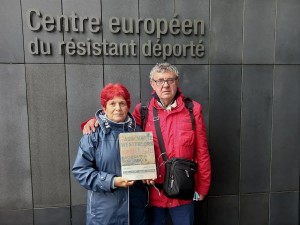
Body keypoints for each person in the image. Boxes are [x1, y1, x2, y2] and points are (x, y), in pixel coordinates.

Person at [83, 63, 211, 225]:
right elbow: (122, 129)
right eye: (160, 81)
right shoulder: (142, 111)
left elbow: (202, 151)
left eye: (170, 80)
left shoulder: (192, 109)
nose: (165, 85)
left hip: (183, 192)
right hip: (153, 193)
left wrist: (202, 187)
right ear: (152, 84)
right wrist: (95, 121)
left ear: (177, 82)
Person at [72, 83, 148, 225]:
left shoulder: (138, 132)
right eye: (112, 103)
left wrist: (147, 176)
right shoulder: (92, 134)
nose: (118, 108)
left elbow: (144, 166)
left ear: (128, 106)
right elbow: (80, 171)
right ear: (104, 108)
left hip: (135, 212)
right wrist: (112, 181)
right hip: (104, 214)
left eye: (122, 103)